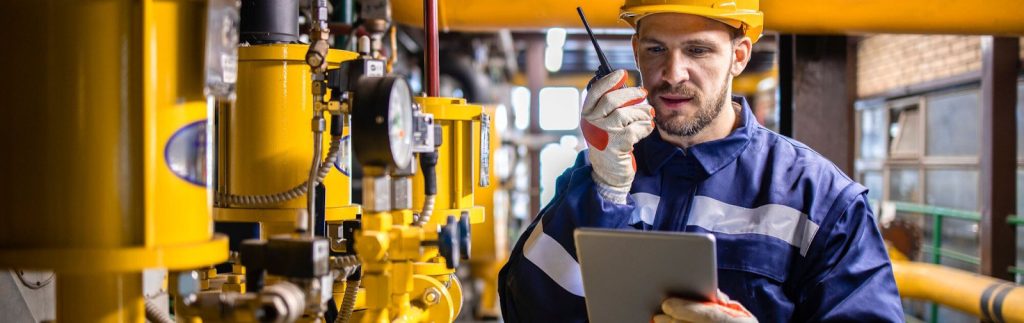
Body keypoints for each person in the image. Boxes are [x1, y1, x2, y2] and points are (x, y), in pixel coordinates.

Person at [497, 0, 905, 321]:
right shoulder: (598, 173)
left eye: (698, 50)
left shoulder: (822, 199)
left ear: (740, 56)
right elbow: (524, 309)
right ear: (636, 51)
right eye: (657, 49)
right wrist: (604, 190)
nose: (673, 73)